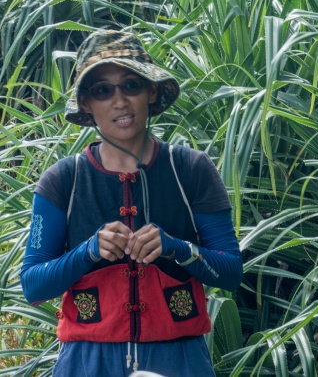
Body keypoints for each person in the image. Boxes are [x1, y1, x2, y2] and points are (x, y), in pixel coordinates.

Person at [21, 30, 243, 377]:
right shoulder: (64, 180)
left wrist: (176, 247)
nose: (119, 101)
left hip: (179, 358)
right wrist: (88, 251)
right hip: (87, 361)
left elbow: (231, 272)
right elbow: (33, 284)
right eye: (102, 91)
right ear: (86, 104)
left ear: (151, 91)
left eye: (131, 86)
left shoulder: (190, 169)